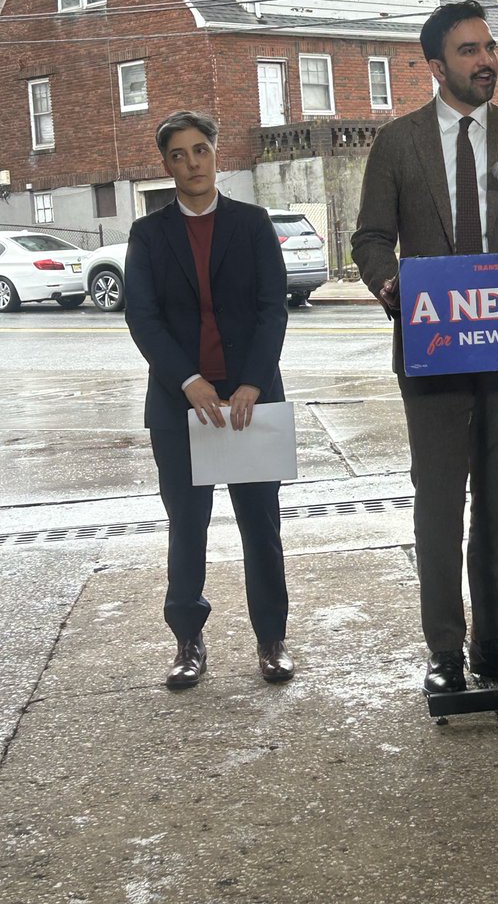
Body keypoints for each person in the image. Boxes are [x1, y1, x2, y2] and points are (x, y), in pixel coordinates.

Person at [351, 0, 498, 694]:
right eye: (471, 51)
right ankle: (445, 651)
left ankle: (496, 645)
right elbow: (369, 238)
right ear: (436, 64)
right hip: (433, 349)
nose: (486, 62)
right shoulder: (398, 143)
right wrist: (389, 282)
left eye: (491, 50)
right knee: (440, 505)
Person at [125, 110, 295, 689]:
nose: (192, 163)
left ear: (215, 153)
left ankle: (271, 640)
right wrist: (187, 381)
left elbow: (274, 307)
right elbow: (143, 318)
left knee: (261, 526)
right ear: (166, 164)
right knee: (187, 527)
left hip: (251, 403)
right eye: (179, 154)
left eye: (201, 150)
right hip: (180, 409)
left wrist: (250, 380)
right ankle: (188, 643)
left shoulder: (252, 223)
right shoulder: (149, 235)